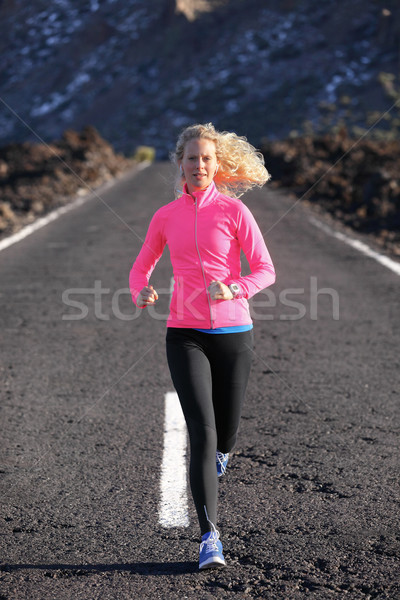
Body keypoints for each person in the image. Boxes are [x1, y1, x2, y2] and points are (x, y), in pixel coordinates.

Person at [129, 123, 275, 570]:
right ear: (181, 163)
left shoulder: (234, 212)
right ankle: (210, 537)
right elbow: (141, 268)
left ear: (217, 164)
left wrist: (234, 288)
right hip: (184, 333)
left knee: (224, 436)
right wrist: (142, 291)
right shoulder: (166, 216)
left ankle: (221, 457)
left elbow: (266, 270)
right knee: (203, 433)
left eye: (206, 158)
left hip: (233, 334)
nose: (198, 166)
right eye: (191, 159)